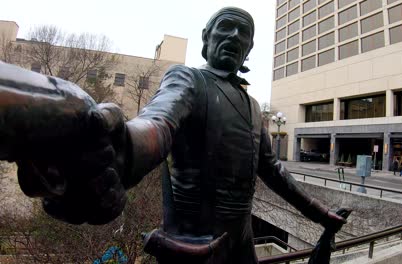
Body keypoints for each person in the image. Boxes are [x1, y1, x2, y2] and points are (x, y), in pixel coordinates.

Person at [12, 7, 346, 264]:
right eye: (224, 28)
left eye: (242, 32)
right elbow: (158, 124)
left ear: (248, 47)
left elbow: (273, 170)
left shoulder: (253, 106)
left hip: (242, 241)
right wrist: (120, 151)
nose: (232, 36)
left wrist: (320, 215)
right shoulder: (188, 81)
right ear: (207, 39)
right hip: (193, 247)